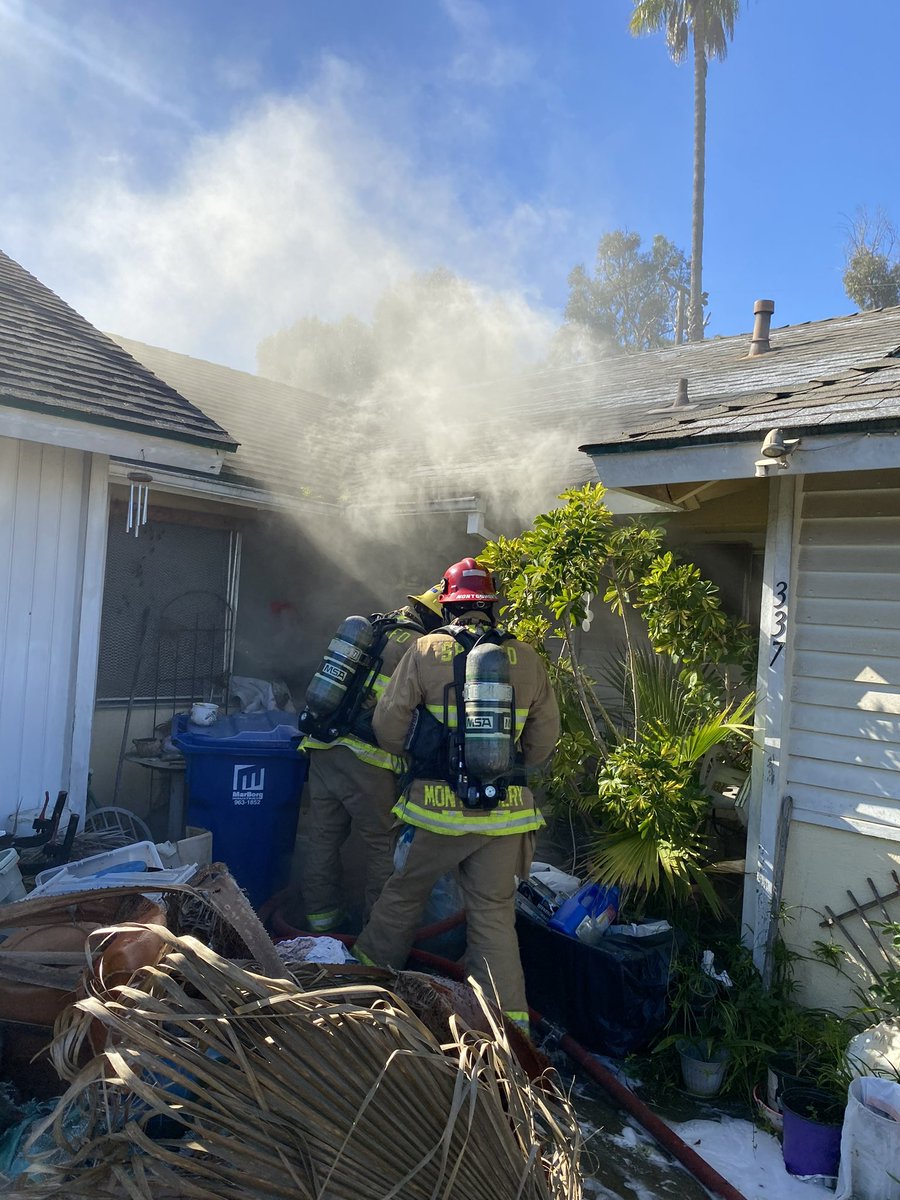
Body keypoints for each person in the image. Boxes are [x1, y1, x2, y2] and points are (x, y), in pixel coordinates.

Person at [354, 558, 560, 1031]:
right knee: (493, 916)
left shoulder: (426, 650)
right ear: (491, 605)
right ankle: (509, 1034)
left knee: (403, 897)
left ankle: (362, 990)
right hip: (506, 814)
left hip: (436, 812)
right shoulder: (526, 658)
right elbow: (543, 742)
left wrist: (416, 752)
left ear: (448, 606)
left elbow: (387, 726)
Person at [300, 585, 444, 932]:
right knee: (383, 845)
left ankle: (320, 924)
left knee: (321, 837)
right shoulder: (418, 648)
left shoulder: (373, 630)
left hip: (322, 748)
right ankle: (375, 932)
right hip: (369, 761)